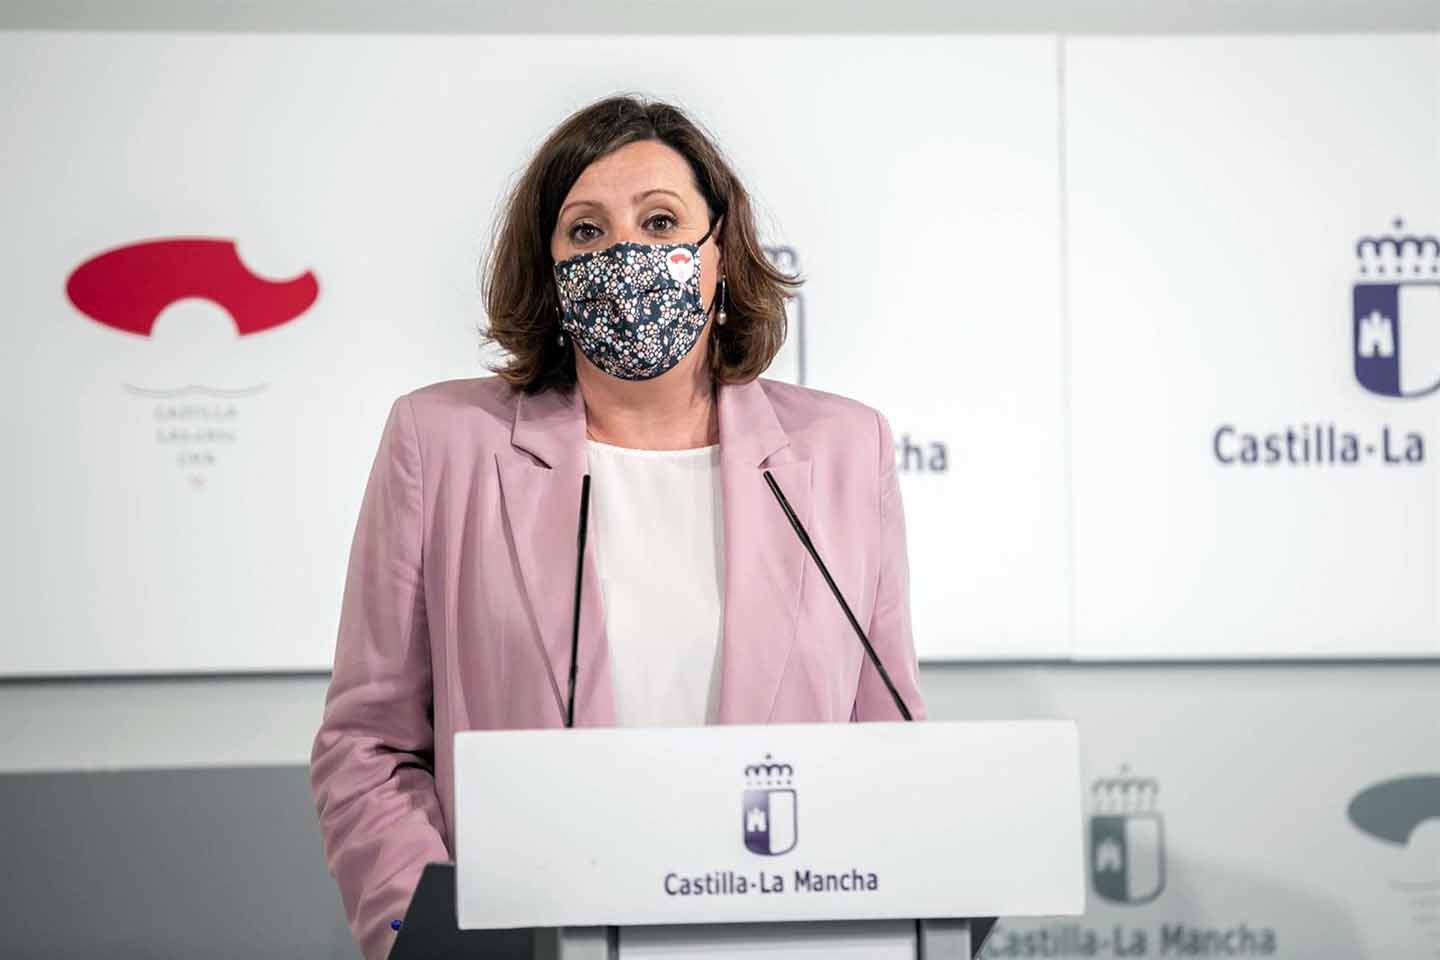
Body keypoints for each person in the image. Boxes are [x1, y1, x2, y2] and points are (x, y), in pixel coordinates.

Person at [309, 93, 926, 960]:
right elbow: (369, 745)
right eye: (586, 231)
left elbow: (888, 743)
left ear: (720, 254)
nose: (626, 253)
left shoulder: (843, 453)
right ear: (550, 269)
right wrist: (432, 935)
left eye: (661, 221)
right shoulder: (440, 443)